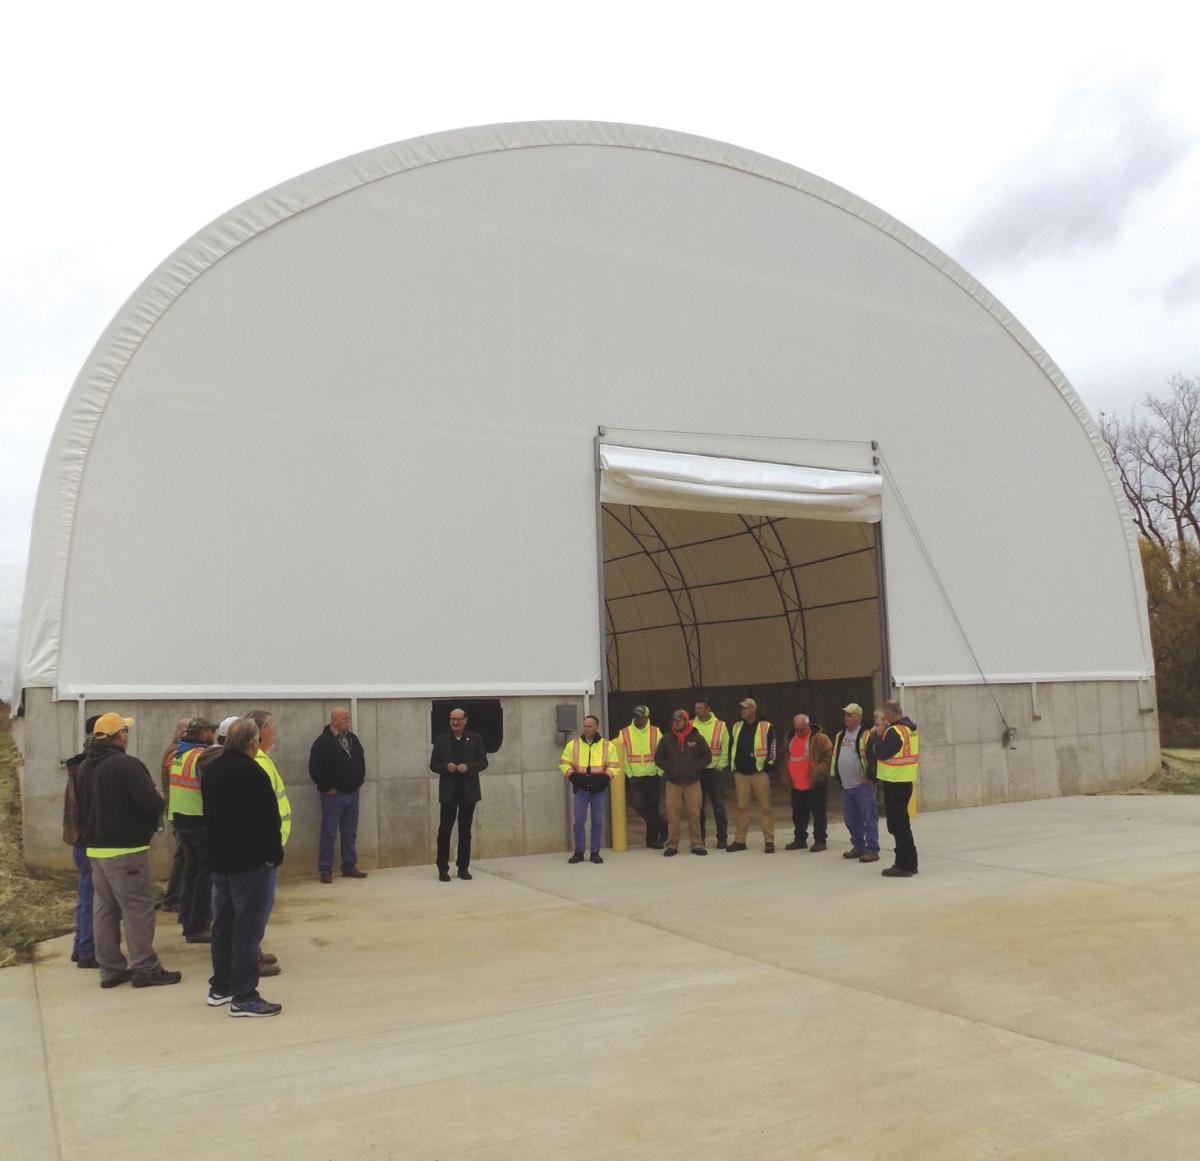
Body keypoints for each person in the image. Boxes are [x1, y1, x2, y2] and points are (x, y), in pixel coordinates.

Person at [74, 713, 181, 989]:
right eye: (125, 731)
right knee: (138, 908)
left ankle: (110, 969)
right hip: (126, 850)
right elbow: (151, 802)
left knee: (105, 909)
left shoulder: (85, 766)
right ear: (118, 736)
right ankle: (145, 967)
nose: (127, 735)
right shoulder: (127, 765)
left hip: (96, 851)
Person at [202, 717, 285, 1017]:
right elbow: (265, 821)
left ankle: (221, 986)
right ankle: (244, 995)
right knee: (248, 929)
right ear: (254, 743)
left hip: (221, 862)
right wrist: (273, 855)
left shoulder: (211, 771)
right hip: (250, 864)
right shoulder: (253, 773)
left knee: (223, 924)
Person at [244, 711, 289, 976]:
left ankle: (254, 950)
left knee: (260, 905)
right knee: (255, 907)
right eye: (273, 727)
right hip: (263, 850)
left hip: (270, 847)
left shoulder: (261, 759)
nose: (276, 733)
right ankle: (250, 957)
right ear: (260, 731)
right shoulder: (257, 763)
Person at [168, 717, 218, 943]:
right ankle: (197, 926)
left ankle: (186, 916)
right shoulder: (202, 756)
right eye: (211, 731)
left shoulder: (180, 753)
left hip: (181, 818)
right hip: (198, 820)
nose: (214, 735)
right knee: (205, 873)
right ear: (204, 733)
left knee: (191, 869)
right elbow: (211, 790)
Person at [429, 707, 489, 881]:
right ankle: (442, 868)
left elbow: (483, 761)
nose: (455, 723)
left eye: (458, 719)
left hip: (468, 792)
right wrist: (445, 766)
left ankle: (463, 868)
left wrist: (468, 767)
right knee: (445, 830)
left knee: (465, 831)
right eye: (452, 719)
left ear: (465, 720)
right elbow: (433, 764)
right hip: (449, 792)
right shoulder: (441, 740)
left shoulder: (475, 738)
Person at [308, 707, 368, 883]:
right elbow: (315, 768)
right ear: (334, 720)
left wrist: (359, 780)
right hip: (333, 796)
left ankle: (349, 866)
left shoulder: (352, 739)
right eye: (344, 718)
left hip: (352, 793)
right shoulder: (322, 742)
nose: (348, 721)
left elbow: (360, 760)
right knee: (329, 833)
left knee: (350, 832)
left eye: (348, 718)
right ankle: (325, 869)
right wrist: (327, 787)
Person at [60, 715, 100, 968]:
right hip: (90, 842)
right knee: (92, 898)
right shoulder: (89, 768)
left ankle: (80, 945)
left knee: (86, 896)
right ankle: (87, 950)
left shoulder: (79, 766)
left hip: (81, 841)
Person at [653, 710, 711, 856]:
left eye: (679, 720)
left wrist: (696, 769)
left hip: (693, 782)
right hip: (673, 783)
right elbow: (659, 758)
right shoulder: (666, 739)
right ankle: (672, 844)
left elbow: (707, 756)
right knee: (673, 814)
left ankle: (697, 844)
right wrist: (670, 770)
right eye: (674, 721)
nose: (676, 723)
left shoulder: (697, 738)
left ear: (686, 721)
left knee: (694, 814)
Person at [559, 715, 614, 864]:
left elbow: (614, 765)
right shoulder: (573, 744)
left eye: (590, 726)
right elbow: (564, 763)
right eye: (585, 726)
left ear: (596, 727)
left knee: (597, 820)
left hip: (598, 788)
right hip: (581, 787)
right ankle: (579, 852)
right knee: (579, 820)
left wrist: (605, 778)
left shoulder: (608, 745)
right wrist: (574, 777)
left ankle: (595, 852)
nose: (586, 728)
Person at [875, 699, 920, 877]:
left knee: (897, 825)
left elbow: (880, 752)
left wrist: (878, 736)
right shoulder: (909, 729)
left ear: (889, 714)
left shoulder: (895, 731)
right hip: (904, 781)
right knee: (903, 824)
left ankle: (903, 865)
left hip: (895, 783)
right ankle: (910, 862)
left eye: (885, 715)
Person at [727, 698, 777, 853]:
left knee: (765, 807)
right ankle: (740, 840)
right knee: (741, 807)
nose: (743, 711)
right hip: (741, 774)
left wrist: (770, 764)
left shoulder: (766, 727)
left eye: (746, 708)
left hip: (759, 773)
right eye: (741, 708)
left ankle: (769, 840)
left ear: (753, 709)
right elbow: (731, 747)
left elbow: (772, 746)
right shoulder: (736, 726)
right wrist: (732, 766)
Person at [832, 703, 880, 863]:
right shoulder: (840, 735)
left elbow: (874, 758)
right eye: (845, 714)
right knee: (850, 819)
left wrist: (870, 776)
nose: (846, 717)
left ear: (858, 717)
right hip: (846, 786)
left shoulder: (866, 735)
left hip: (863, 786)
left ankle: (872, 849)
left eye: (850, 715)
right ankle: (858, 845)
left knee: (869, 817)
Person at [615, 706, 665, 848]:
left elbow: (661, 753)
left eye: (640, 717)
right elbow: (622, 755)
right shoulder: (624, 733)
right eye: (635, 716)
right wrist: (629, 774)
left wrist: (659, 772)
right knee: (638, 805)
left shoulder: (656, 732)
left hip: (653, 775)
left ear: (646, 718)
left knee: (653, 807)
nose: (637, 719)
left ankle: (652, 840)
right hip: (635, 776)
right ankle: (663, 826)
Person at [782, 714, 832, 852]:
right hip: (796, 785)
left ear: (808, 726)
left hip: (814, 784)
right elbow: (786, 756)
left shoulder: (820, 739)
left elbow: (829, 755)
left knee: (818, 813)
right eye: (796, 729)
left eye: (802, 729)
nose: (799, 732)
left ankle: (820, 840)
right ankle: (800, 839)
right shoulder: (790, 738)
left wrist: (819, 770)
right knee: (798, 814)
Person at [160, 716, 191, 913]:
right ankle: (173, 898)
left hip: (181, 809)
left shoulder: (179, 751)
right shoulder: (175, 753)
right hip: (179, 810)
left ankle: (176, 896)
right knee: (183, 855)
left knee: (184, 855)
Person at [692, 697, 729, 849]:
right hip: (696, 772)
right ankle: (700, 838)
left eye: (700, 708)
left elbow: (725, 747)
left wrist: (720, 766)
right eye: (696, 708)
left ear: (708, 709)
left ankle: (722, 837)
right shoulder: (691, 725)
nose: (697, 711)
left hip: (714, 771)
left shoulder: (720, 726)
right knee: (698, 807)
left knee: (718, 806)